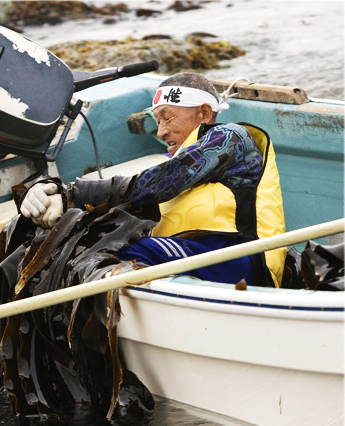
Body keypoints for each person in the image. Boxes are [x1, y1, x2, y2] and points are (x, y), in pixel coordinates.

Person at [20, 72, 286, 287]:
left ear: (204, 114)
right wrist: (53, 193)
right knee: (82, 243)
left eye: (167, 117)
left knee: (110, 251)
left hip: (235, 260)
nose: (160, 131)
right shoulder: (180, 162)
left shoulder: (230, 138)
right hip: (197, 256)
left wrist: (72, 192)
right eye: (156, 121)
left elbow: (155, 184)